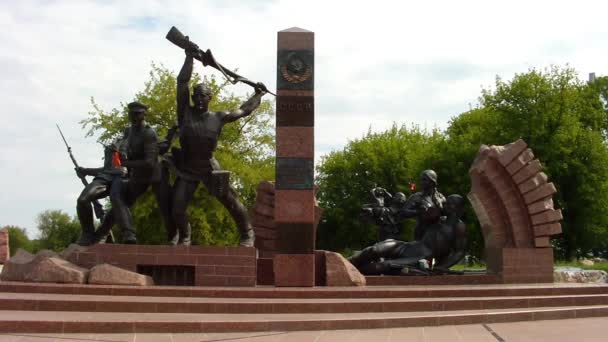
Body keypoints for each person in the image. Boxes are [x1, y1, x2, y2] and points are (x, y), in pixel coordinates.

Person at [169, 44, 266, 246]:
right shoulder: (185, 112)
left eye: (203, 95)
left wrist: (258, 95)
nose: (198, 98)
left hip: (209, 167)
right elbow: (182, 82)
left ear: (210, 97)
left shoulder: (219, 117)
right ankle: (185, 236)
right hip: (187, 167)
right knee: (177, 207)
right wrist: (189, 58)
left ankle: (248, 233)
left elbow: (244, 110)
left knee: (230, 201)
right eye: (196, 95)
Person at [92, 101, 172, 244]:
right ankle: (106, 233)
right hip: (139, 176)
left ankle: (174, 237)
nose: (133, 116)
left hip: (156, 175)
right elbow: (126, 148)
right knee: (119, 199)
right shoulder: (128, 131)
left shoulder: (149, 133)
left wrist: (125, 164)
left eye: (137, 114)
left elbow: (149, 162)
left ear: (143, 115)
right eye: (131, 113)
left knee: (165, 208)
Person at [348, 194, 467, 275]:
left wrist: (444, 266)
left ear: (458, 208)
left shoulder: (459, 226)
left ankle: (350, 272)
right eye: (446, 203)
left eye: (450, 204)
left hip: (420, 257)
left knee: (383, 265)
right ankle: (345, 263)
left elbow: (460, 251)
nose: (446, 205)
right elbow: (419, 217)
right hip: (410, 246)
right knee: (376, 249)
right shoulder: (438, 218)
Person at [75, 138, 127, 246]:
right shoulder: (116, 141)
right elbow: (107, 168)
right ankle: (87, 233)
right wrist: (86, 171)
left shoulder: (134, 141)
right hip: (104, 177)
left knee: (117, 208)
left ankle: (106, 233)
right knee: (82, 200)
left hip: (122, 178)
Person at [399, 170, 446, 240]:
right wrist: (418, 211)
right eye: (421, 180)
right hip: (422, 234)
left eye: (424, 180)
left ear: (432, 181)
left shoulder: (441, 197)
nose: (421, 182)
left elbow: (447, 212)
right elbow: (403, 212)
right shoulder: (416, 197)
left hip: (438, 234)